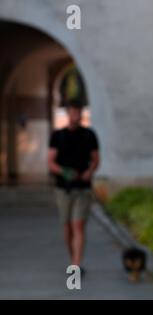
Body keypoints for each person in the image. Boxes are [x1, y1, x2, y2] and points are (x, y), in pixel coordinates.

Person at [48, 101, 100, 270]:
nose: (75, 115)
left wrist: (89, 172)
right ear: (68, 114)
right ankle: (74, 259)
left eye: (78, 112)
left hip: (82, 188)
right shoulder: (58, 135)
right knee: (67, 227)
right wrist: (63, 172)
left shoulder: (89, 135)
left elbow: (95, 160)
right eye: (72, 112)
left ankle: (76, 265)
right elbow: (50, 161)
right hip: (63, 188)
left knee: (78, 225)